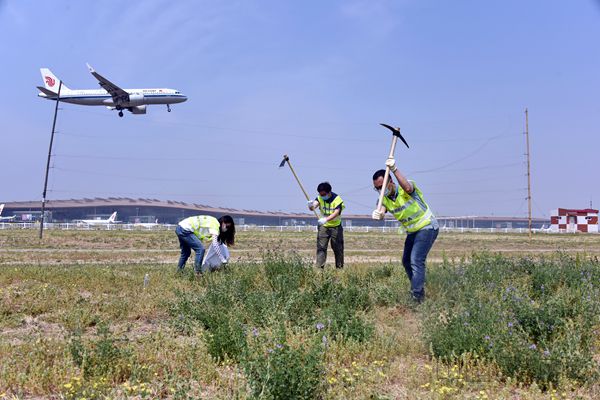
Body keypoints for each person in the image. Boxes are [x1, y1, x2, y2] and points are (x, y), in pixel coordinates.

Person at [371, 158, 438, 302]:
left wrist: (394, 169)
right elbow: (382, 210)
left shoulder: (404, 187)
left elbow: (408, 188)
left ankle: (416, 296)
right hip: (413, 232)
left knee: (416, 259)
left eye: (382, 186)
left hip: (427, 226)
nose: (380, 190)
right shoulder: (384, 199)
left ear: (391, 182)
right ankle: (418, 288)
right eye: (377, 188)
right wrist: (379, 214)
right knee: (406, 261)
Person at [308, 182, 345, 268]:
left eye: (324, 194)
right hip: (323, 227)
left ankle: (339, 268)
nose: (322, 196)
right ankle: (319, 268)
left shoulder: (337, 199)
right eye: (320, 195)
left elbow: (336, 212)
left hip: (336, 227)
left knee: (338, 249)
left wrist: (326, 219)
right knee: (321, 248)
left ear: (329, 192)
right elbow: (314, 207)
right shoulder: (319, 198)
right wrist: (310, 205)